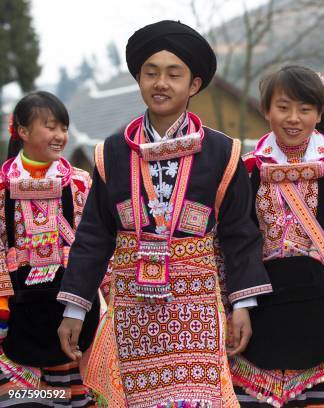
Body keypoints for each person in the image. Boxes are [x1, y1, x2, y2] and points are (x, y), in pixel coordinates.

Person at [56, 20, 271, 408]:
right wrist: (75, 308)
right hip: (132, 310)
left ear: (194, 85)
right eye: (151, 72)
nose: (161, 83)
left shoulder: (223, 153)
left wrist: (242, 306)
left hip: (199, 308)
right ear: (138, 79)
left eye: (174, 74)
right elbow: (94, 237)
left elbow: (240, 232)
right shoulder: (113, 153)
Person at [230, 65, 324, 407]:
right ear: (265, 109)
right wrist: (236, 304)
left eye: (305, 109)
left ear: (319, 114)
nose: (293, 118)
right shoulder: (245, 170)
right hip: (262, 308)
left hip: (322, 305)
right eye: (283, 107)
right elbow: (234, 242)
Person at [0, 91, 98, 406]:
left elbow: (97, 245)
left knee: (72, 398)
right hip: (16, 314)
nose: (60, 136)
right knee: (23, 399)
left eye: (63, 128)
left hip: (70, 308)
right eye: (51, 127)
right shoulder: (2, 190)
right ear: (23, 131)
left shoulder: (81, 185)